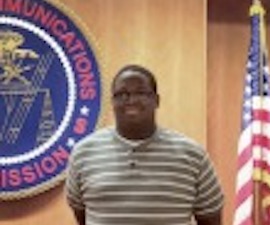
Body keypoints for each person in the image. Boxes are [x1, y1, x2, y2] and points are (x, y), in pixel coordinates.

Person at [65, 64, 224, 225]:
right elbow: (81, 214)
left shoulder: (193, 155)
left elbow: (210, 218)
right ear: (112, 102)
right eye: (122, 94)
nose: (131, 101)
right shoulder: (83, 153)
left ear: (156, 100)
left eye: (140, 93)